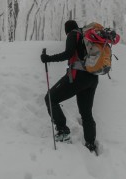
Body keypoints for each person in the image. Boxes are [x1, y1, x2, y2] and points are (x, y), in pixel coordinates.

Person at [41, 20, 99, 154]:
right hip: (93, 78)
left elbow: (68, 53)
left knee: (50, 98)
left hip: (78, 76)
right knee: (86, 113)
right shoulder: (86, 37)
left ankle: (63, 131)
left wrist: (48, 58)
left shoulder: (73, 34)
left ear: (67, 29)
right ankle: (90, 144)